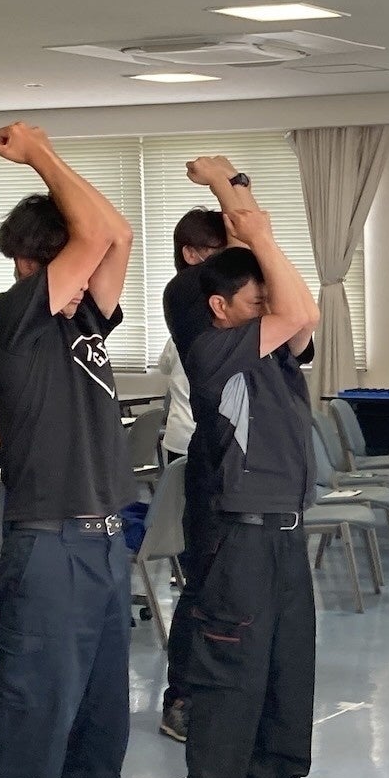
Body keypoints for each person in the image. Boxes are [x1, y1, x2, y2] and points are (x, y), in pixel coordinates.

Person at [0, 122, 163, 778]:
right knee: (34, 725)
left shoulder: (83, 321)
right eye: (70, 260)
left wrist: (52, 161)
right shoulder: (13, 318)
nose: (94, 269)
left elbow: (113, 230)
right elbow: (92, 235)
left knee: (100, 722)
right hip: (46, 545)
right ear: (39, 262)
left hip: (101, 542)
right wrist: (40, 158)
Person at [174, 160, 335, 778]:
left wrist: (240, 200)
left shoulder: (274, 352)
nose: (270, 305)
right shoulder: (216, 349)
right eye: (255, 298)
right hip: (236, 532)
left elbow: (301, 310)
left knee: (287, 664)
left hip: (284, 528)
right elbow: (299, 311)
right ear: (221, 306)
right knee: (230, 674)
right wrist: (248, 219)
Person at [156, 207, 233, 744]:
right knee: (201, 583)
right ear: (191, 254)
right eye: (217, 251)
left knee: (228, 585)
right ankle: (179, 697)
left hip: (223, 455)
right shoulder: (189, 309)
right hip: (190, 453)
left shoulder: (224, 310)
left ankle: (216, 690)